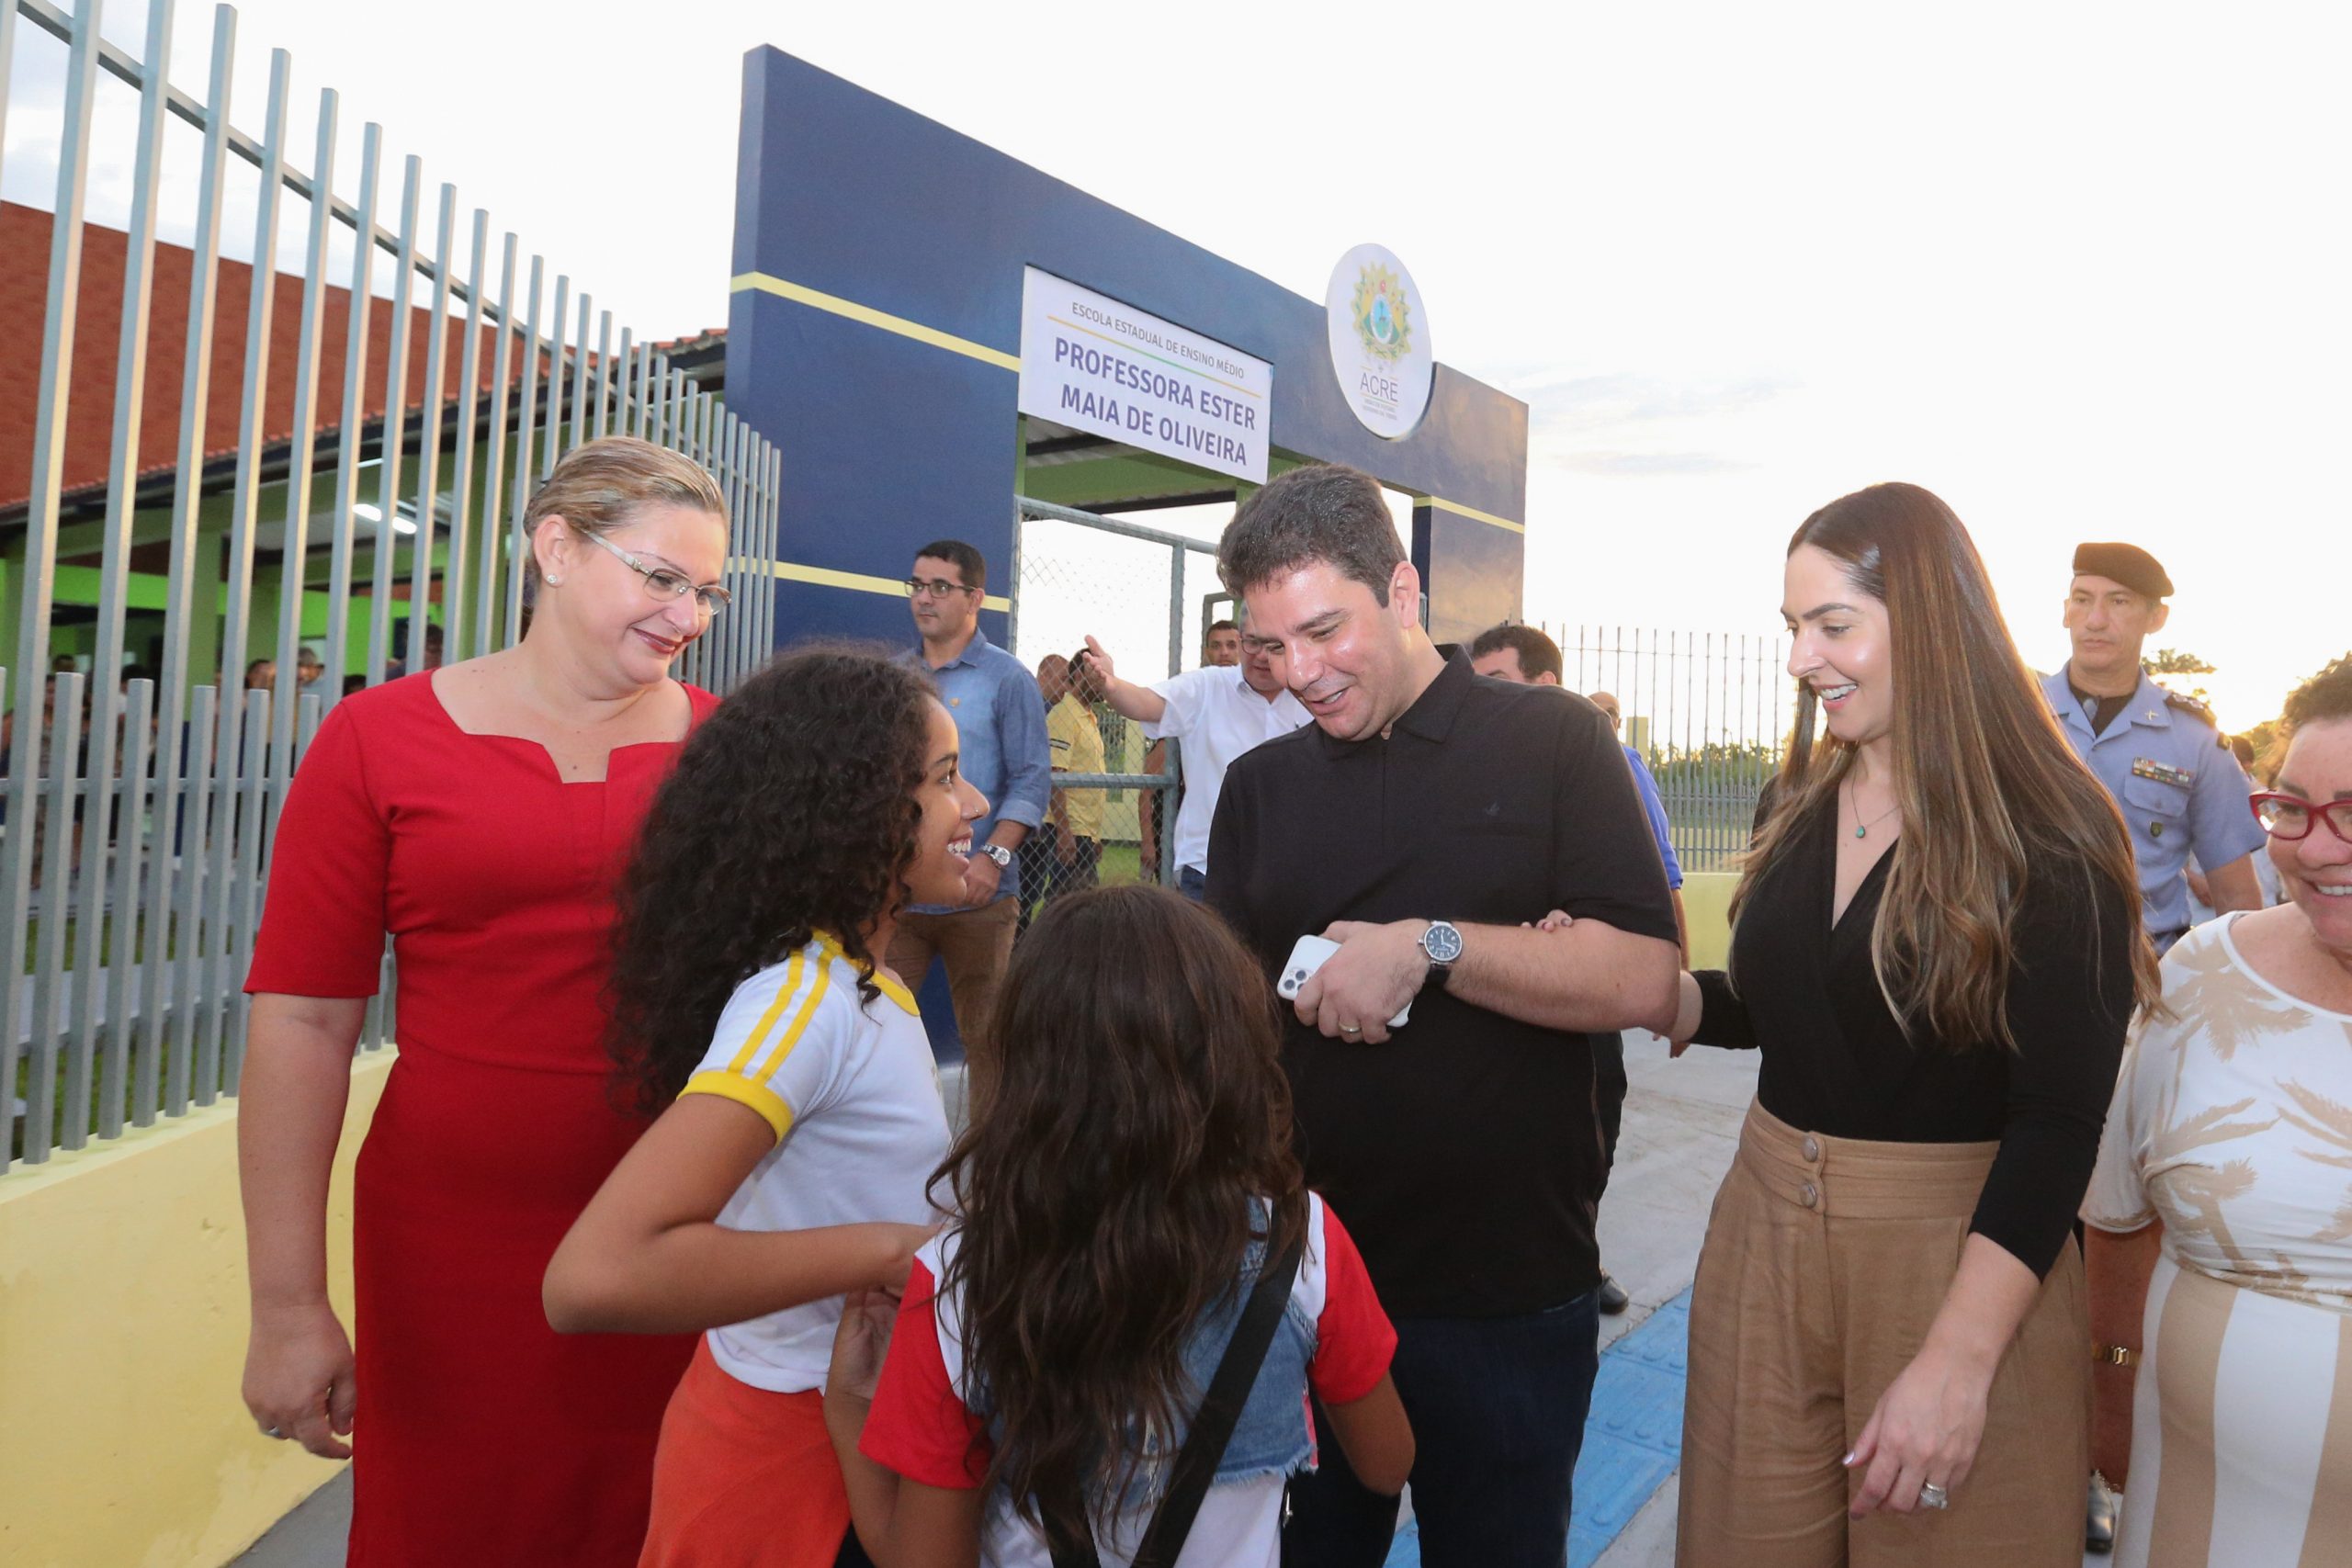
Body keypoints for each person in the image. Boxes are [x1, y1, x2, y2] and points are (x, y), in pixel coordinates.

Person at [237, 435, 733, 1566]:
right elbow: (304, 1022)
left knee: (671, 1519)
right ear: (554, 548)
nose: (687, 615)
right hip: (448, 1247)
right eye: (660, 578)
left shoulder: (729, 752)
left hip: (681, 1228)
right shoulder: (375, 739)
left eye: (705, 590)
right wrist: (286, 1304)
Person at [1655, 482, 2157, 1566]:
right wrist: (1669, 996)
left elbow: (2057, 1122)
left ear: (1929, 620)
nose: (1800, 659)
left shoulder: (2054, 839)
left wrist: (1956, 1362)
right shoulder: (1792, 801)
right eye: (1793, 628)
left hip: (1960, 1265)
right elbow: (1807, 1007)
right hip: (1762, 1240)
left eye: (1832, 625)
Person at [1203, 463, 1681, 1568]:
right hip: (1301, 1289)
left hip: (1506, 1298)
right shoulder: (1260, 789)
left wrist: (1432, 947)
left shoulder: (1555, 743)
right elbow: (1221, 1026)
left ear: (1406, 593)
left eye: (1326, 630)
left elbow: (1647, 981)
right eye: (1274, 646)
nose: (1301, 674)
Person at [823, 885, 1415, 1567]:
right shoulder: (1303, 1237)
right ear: (1227, 1056)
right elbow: (1386, 1462)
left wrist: (846, 1409)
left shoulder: (954, 1275)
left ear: (1027, 1068)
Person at [544, 647, 980, 1568]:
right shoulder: (803, 1003)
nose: (972, 805)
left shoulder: (856, 982)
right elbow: (595, 1278)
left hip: (851, 1426)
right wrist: (892, 1253)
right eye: (944, 780)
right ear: (856, 813)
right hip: (792, 1464)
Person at [2081, 653, 2352, 1568]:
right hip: (2190, 1518)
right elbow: (2116, 1219)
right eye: (2290, 808)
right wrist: (2108, 1398)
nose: (2313, 847)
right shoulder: (2197, 975)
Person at [1468, 623, 1686, 1322]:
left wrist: (1671, 992)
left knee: (1591, 1127)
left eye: (1497, 684)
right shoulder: (1469, 767)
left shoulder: (1610, 763)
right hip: (1490, 997)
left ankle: (1580, 1259)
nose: (1483, 702)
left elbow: (1661, 874)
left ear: (1547, 688)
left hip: (1581, 998)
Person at [2046, 542, 2267, 953]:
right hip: (2018, 973)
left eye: (2118, 601)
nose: (2095, 620)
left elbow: (2236, 896)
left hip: (2148, 976)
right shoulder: (2014, 717)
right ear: (2065, 610)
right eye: (2082, 600)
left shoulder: (2195, 738)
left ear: (2156, 617)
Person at [890, 540, 1050, 1087]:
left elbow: (1031, 780)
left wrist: (993, 858)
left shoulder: (1008, 679)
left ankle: (990, 1168)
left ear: (975, 597)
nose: (924, 598)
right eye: (917, 585)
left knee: (988, 1045)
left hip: (981, 896)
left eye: (940, 587)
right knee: (876, 1030)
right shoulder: (893, 679)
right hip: (901, 898)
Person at [1083, 610, 1308, 903]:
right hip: (1209, 871)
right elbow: (1145, 703)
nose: (1262, 656)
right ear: (1241, 642)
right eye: (1253, 643)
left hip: (1289, 870)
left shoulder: (1310, 695)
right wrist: (1110, 685)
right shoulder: (1206, 687)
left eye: (1274, 645)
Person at [1042, 648, 1107, 900]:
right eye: (1097, 675)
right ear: (1080, 674)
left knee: (1076, 903)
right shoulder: (1063, 715)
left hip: (1084, 833)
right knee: (1068, 904)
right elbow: (1055, 775)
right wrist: (1065, 832)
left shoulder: (1088, 717)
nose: (1104, 681)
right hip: (1070, 829)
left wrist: (1094, 837)